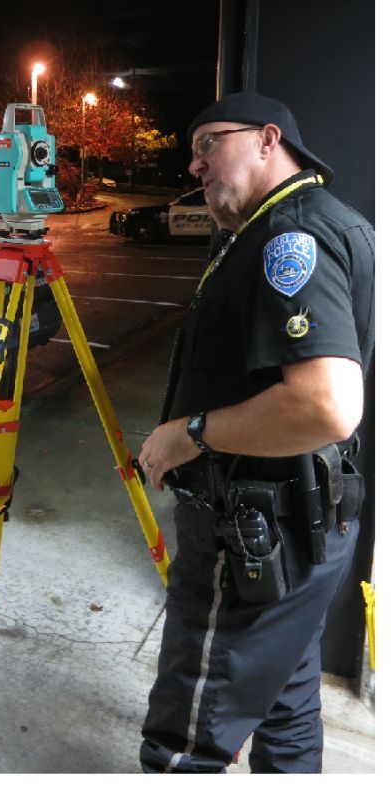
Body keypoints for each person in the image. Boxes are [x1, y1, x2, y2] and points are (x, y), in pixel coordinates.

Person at [136, 93, 374, 773]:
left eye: (210, 142)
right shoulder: (337, 222)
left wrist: (191, 433)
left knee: (187, 733)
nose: (194, 164)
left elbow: (327, 404)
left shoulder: (288, 238)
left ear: (268, 139)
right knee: (287, 700)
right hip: (304, 530)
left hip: (251, 539)